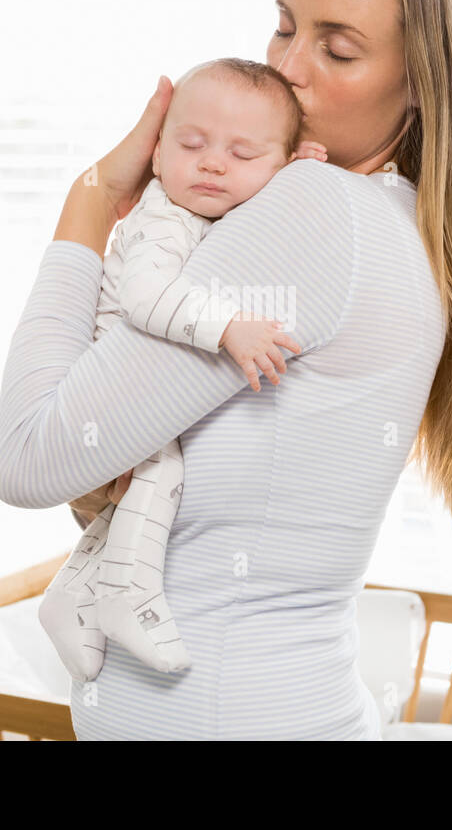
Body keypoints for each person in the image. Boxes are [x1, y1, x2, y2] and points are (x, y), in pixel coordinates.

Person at [0, 0, 452, 740]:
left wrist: (90, 199)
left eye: (337, 47)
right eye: (283, 27)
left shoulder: (316, 209)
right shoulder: (402, 222)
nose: (290, 69)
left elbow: (28, 458)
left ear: (424, 81)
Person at [37, 57, 328, 683]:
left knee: (145, 482)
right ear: (156, 152)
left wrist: (293, 181)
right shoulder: (166, 217)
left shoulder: (216, 211)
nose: (213, 163)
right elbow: (144, 298)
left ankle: (70, 592)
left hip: (125, 379)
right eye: (190, 144)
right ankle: (127, 593)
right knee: (163, 470)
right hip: (109, 377)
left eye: (245, 154)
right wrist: (228, 328)